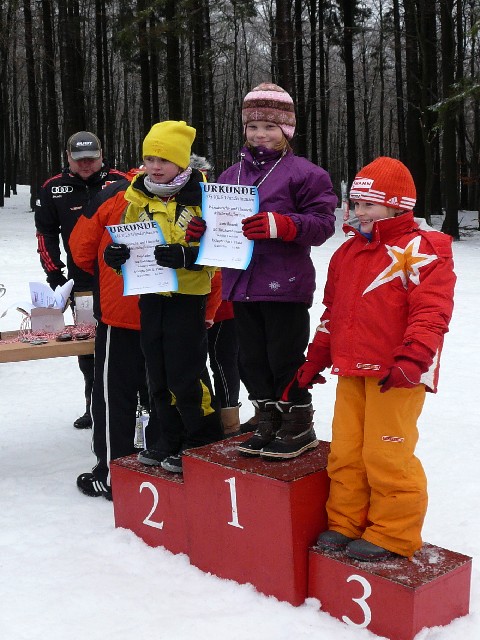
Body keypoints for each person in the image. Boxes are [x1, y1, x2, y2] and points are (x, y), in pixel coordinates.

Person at [284, 156, 456, 561]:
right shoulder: (347, 253)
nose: (360, 212)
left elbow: (432, 310)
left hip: (398, 372)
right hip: (352, 368)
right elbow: (333, 313)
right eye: (357, 204)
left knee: (386, 454)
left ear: (397, 206)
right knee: (346, 451)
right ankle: (345, 521)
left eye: (370, 205)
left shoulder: (423, 249)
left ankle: (393, 532)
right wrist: (315, 358)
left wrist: (414, 357)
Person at [212, 82, 337, 459]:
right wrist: (204, 231)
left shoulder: (306, 174)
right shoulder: (230, 175)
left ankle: (298, 423)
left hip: (284, 283)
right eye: (252, 126)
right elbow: (220, 224)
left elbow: (323, 225)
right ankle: (267, 419)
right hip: (239, 283)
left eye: (269, 126)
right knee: (250, 359)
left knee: (284, 357)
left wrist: (282, 225)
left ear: (287, 130)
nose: (260, 134)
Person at [103, 120, 223, 473]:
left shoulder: (205, 197)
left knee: (186, 372)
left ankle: (201, 438)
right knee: (156, 372)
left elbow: (225, 249)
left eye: (164, 160)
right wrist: (116, 258)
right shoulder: (136, 197)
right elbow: (127, 244)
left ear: (182, 161)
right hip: (151, 295)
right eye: (149, 159)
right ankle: (169, 436)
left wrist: (189, 256)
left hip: (188, 296)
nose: (155, 167)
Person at [70, 169, 154, 500]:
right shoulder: (197, 192)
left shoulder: (112, 194)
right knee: (167, 394)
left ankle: (112, 472)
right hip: (175, 314)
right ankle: (165, 464)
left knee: (113, 397)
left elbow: (81, 251)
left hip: (122, 314)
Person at [35, 131, 126, 429]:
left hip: (122, 278)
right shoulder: (53, 188)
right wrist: (54, 274)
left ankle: (135, 403)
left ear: (101, 156)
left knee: (126, 342)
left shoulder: (121, 182)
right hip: (82, 282)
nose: (86, 164)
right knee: (89, 343)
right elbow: (45, 234)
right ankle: (93, 406)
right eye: (79, 160)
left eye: (91, 159)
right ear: (68, 158)